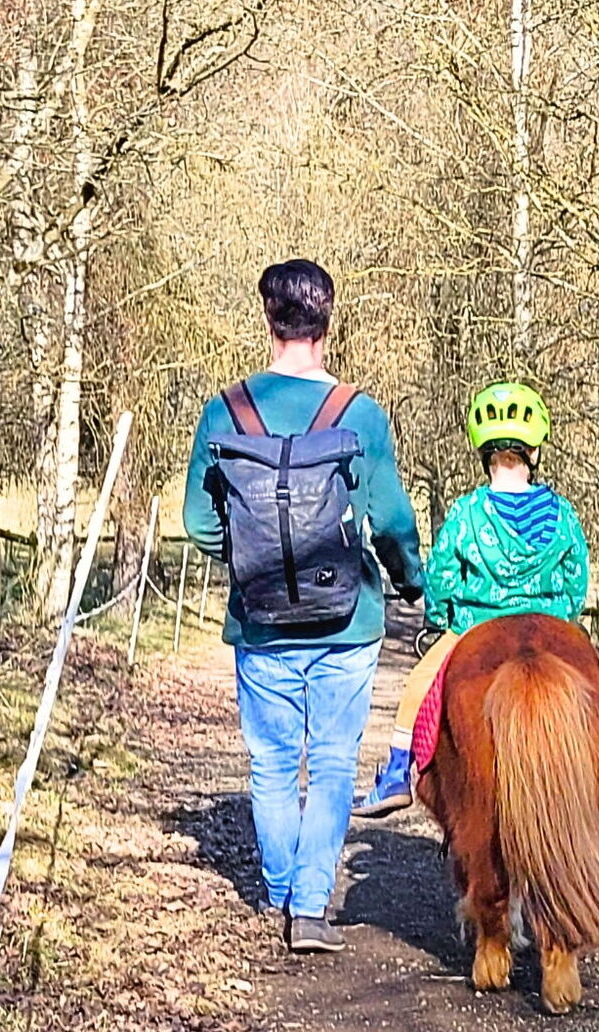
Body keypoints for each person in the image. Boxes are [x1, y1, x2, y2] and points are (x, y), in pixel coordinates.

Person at [183, 259, 424, 954]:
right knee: (333, 759)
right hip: (348, 620)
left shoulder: (224, 410)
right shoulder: (360, 413)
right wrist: (413, 585)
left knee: (271, 760)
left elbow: (200, 524)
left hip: (260, 621)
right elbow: (390, 522)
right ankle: (312, 905)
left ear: (268, 320)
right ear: (328, 321)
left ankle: (279, 889)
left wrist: (253, 555)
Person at [353, 382, 599, 816]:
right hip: (550, 623)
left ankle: (395, 773)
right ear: (534, 453)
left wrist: (441, 615)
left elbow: (443, 575)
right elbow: (576, 577)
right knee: (596, 685)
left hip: (473, 625)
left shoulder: (467, 513)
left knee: (418, 685)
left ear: (485, 455)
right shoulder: (562, 514)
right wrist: (564, 617)